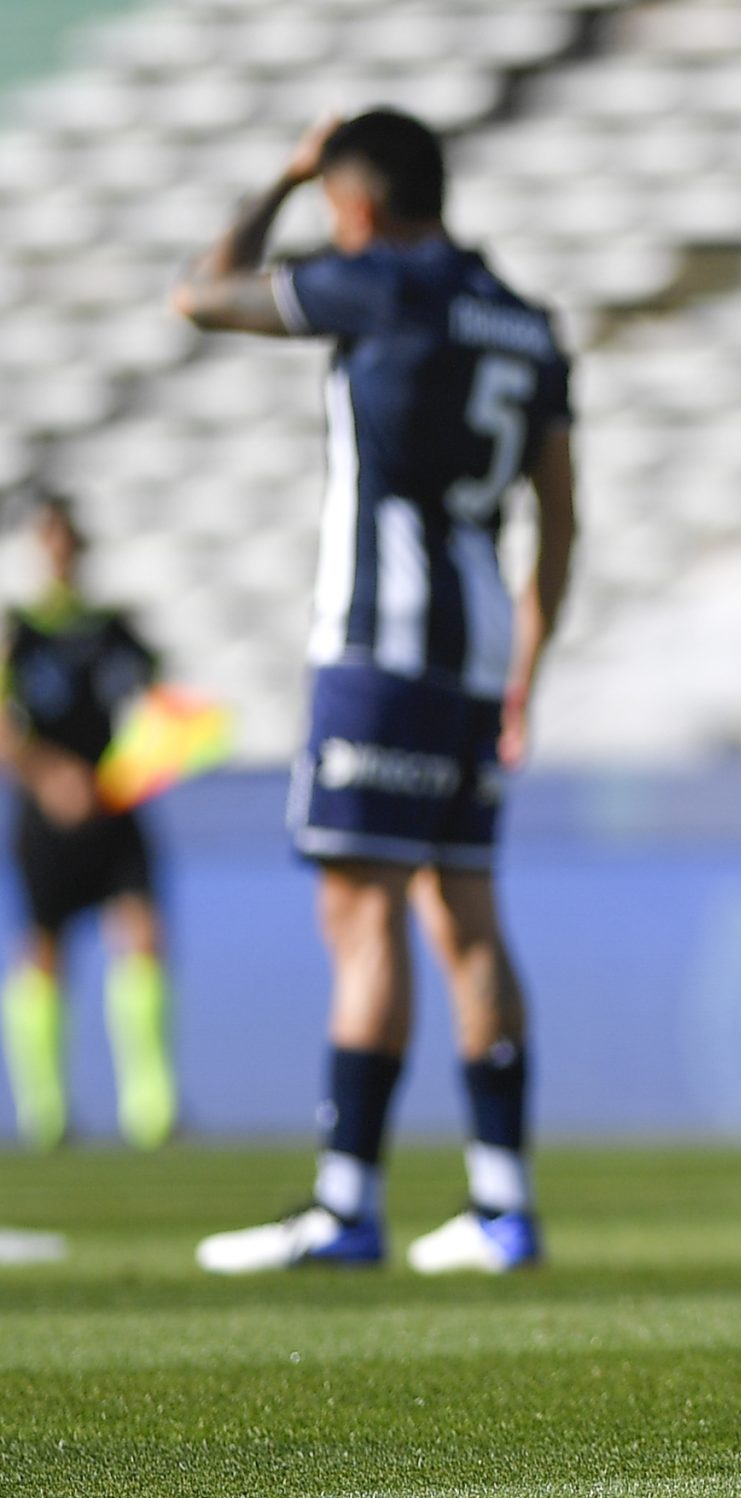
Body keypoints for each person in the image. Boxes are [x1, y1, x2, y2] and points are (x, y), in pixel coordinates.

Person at [169, 109, 578, 1274]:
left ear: (354, 203)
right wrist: (527, 669)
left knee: (362, 912)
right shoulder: (527, 321)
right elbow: (562, 515)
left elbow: (201, 295)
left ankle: (347, 1205)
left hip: (379, 643)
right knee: (468, 915)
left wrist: (284, 173)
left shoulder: (376, 284)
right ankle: (503, 1208)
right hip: (479, 650)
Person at [1, 492, 178, 1151]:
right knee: (44, 947)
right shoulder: (19, 631)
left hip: (113, 805)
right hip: (46, 814)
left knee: (142, 932)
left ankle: (150, 1106)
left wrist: (134, 767)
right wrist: (50, 775)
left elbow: (166, 705)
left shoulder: (111, 628)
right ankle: (45, 1111)